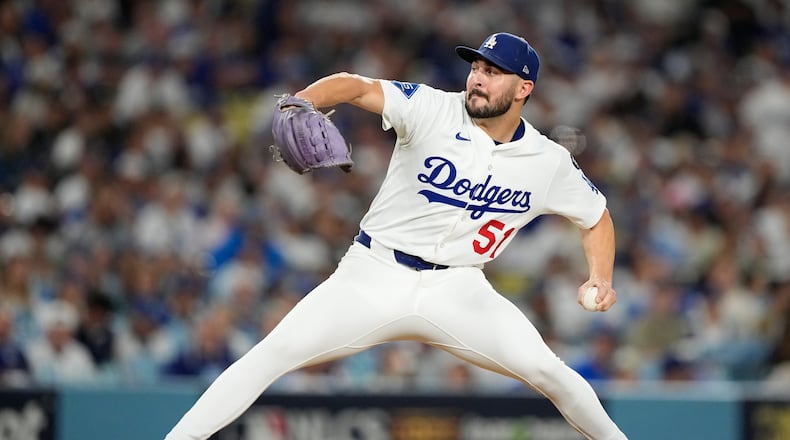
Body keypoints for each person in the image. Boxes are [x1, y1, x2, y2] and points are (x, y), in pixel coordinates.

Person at [166, 32, 627, 440]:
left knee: (552, 372)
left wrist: (600, 277)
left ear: (524, 88)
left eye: (494, 72)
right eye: (477, 67)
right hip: (373, 273)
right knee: (271, 354)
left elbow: (596, 216)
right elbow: (357, 85)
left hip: (459, 288)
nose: (479, 78)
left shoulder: (546, 160)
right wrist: (302, 98)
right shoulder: (431, 107)